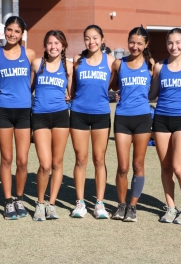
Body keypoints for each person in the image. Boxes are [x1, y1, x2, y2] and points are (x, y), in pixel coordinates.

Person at [0, 16, 36, 220]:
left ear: (22, 34)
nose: (12, 34)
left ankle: (19, 198)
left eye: (17, 31)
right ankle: (8, 202)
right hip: (4, 111)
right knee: (7, 158)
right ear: (4, 31)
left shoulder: (30, 54)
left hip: (24, 111)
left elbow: (34, 82)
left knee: (23, 160)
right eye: (9, 30)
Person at [148, 28, 181, 225]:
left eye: (178, 42)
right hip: (161, 120)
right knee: (166, 166)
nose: (173, 46)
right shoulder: (160, 67)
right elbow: (152, 94)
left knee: (179, 167)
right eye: (170, 42)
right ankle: (171, 207)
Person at [69, 25, 115, 219]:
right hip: (79, 113)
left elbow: (116, 84)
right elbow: (70, 91)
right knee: (81, 159)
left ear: (102, 39)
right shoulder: (77, 63)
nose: (91, 42)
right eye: (87, 38)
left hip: (101, 115)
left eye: (95, 38)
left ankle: (99, 204)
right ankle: (80, 203)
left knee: (99, 159)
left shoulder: (112, 62)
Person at [110, 26, 154, 222]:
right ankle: (121, 205)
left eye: (139, 43)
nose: (134, 46)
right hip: (122, 118)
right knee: (123, 166)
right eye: (132, 42)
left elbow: (161, 88)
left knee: (138, 164)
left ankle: (133, 206)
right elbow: (112, 86)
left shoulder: (151, 64)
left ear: (146, 45)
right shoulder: (119, 64)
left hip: (143, 118)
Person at [30, 30, 73, 221]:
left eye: (57, 43)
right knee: (45, 164)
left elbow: (72, 93)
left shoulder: (69, 67)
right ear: (45, 45)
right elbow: (27, 88)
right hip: (39, 116)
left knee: (57, 163)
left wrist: (69, 96)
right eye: (50, 43)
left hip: (61, 117)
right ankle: (40, 203)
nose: (53, 46)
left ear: (63, 46)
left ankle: (52, 204)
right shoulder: (37, 64)